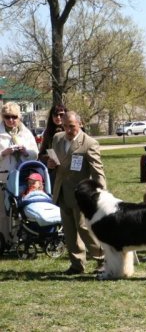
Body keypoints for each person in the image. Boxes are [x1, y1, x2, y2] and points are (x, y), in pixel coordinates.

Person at [47, 111, 105, 275]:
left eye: (71, 126)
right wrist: (51, 164)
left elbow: (97, 171)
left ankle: (102, 259)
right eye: (64, 126)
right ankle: (77, 263)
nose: (68, 129)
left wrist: (101, 194)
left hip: (81, 194)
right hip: (62, 191)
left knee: (83, 228)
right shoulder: (58, 138)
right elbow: (57, 163)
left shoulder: (89, 143)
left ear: (80, 124)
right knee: (69, 230)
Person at [0, 102, 39, 244]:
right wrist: (3, 153)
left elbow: (35, 154)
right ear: (2, 117)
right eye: (7, 117)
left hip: (22, 177)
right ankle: (4, 240)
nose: (11, 120)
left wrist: (25, 152)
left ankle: (18, 239)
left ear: (19, 117)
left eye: (14, 117)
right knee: (3, 212)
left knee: (19, 210)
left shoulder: (26, 132)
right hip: (3, 177)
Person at [38, 104, 68, 184]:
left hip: (70, 171)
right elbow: (41, 154)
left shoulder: (71, 130)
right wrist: (48, 160)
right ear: (51, 117)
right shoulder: (48, 133)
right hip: (54, 171)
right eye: (55, 115)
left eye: (61, 115)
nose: (58, 117)